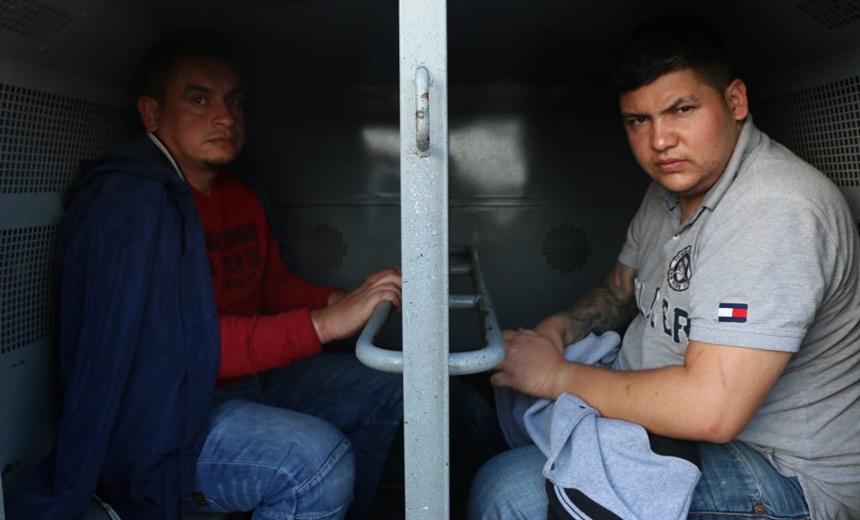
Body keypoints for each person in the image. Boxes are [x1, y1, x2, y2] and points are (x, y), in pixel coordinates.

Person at [469, 14, 860, 520]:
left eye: (681, 110)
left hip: (781, 471)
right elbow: (618, 291)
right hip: (664, 417)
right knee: (477, 411)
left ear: (735, 101)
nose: (659, 141)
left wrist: (557, 376)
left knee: (508, 492)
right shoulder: (670, 190)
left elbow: (710, 409)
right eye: (639, 120)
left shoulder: (774, 208)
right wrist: (553, 333)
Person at [7, 37, 403, 520]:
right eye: (199, 100)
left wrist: (350, 299)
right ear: (151, 114)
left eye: (233, 101)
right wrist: (324, 323)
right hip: (160, 417)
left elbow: (271, 285)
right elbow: (175, 348)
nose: (225, 117)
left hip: (245, 382)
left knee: (393, 386)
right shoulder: (130, 203)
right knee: (311, 461)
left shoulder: (239, 189)